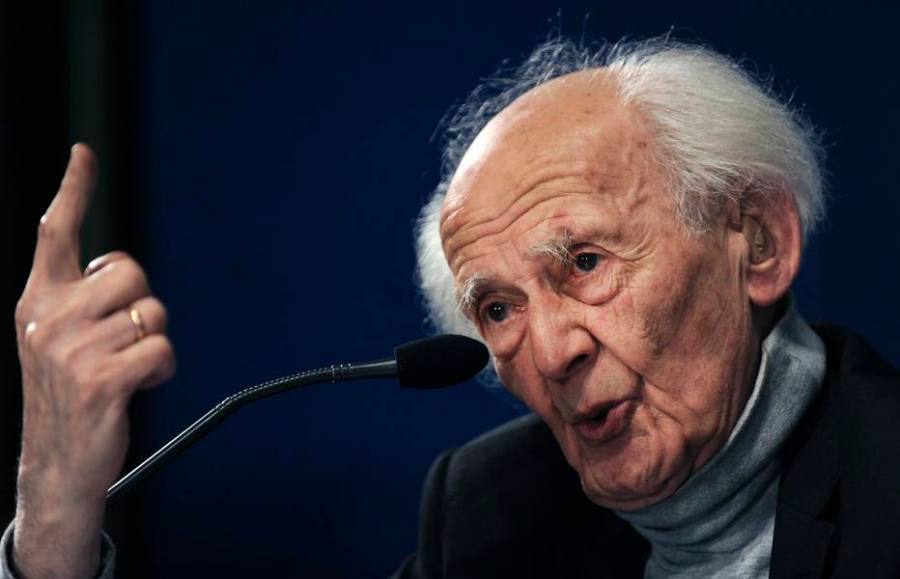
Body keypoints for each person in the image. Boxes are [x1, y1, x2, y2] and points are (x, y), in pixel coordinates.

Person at [4, 36, 899, 579]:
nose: (550, 352)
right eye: (499, 309)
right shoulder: (490, 513)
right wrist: (55, 516)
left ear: (759, 242)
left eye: (586, 262)